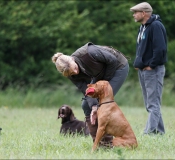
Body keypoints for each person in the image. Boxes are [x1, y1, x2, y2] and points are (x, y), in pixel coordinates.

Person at [52, 42, 129, 147]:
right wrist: (93, 106)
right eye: (71, 73)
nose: (75, 72)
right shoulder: (70, 73)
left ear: (72, 59)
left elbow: (112, 61)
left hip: (118, 67)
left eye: (74, 68)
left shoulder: (89, 53)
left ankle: (107, 144)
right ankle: (99, 144)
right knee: (86, 105)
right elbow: (85, 90)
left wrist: (102, 85)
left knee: (102, 102)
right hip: (98, 77)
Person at [130, 2, 167, 135]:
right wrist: (139, 63)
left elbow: (160, 49)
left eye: (136, 12)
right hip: (144, 70)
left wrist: (151, 65)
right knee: (150, 104)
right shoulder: (143, 27)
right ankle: (160, 132)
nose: (134, 15)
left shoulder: (156, 26)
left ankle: (149, 133)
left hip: (153, 71)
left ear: (144, 13)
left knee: (153, 104)